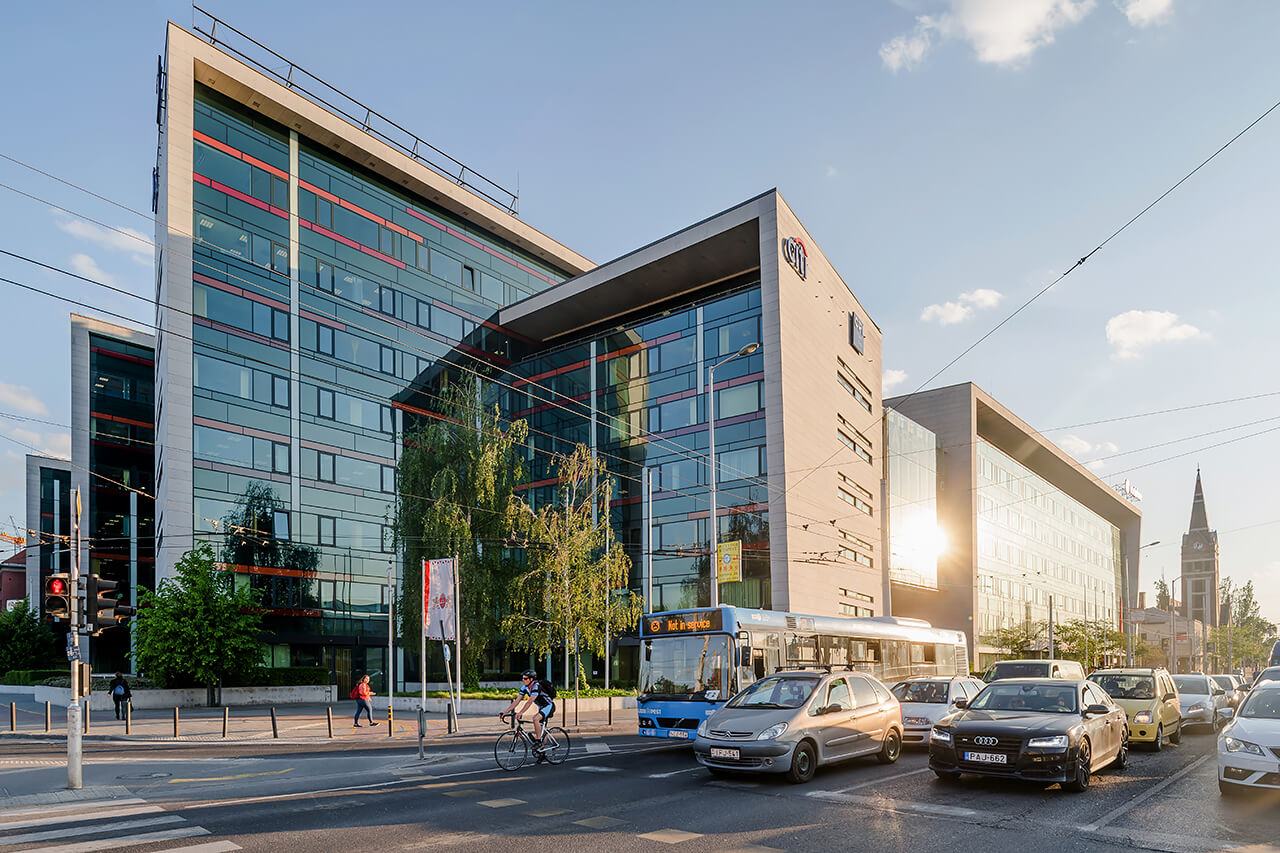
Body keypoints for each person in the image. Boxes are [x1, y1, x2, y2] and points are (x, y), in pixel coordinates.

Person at [499, 670, 554, 753]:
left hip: (549, 706)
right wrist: (505, 712)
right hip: (541, 708)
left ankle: (538, 742)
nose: (523, 680)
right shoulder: (524, 688)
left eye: (525, 678)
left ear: (531, 679)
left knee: (535, 718)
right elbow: (516, 701)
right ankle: (542, 752)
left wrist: (521, 712)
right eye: (522, 678)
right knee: (541, 730)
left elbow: (530, 701)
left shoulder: (536, 686)